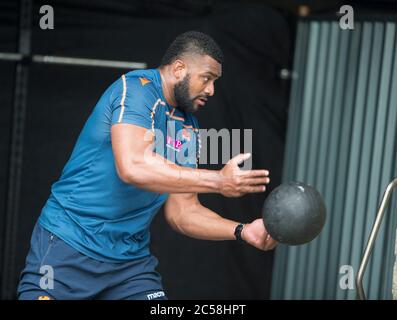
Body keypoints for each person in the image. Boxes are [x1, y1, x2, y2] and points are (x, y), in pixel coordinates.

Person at [17, 31, 277, 300]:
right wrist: (219, 181)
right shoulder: (137, 89)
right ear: (179, 68)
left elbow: (183, 212)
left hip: (129, 268)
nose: (211, 89)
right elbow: (133, 167)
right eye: (207, 78)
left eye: (215, 81)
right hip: (68, 248)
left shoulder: (187, 126)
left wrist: (242, 231)